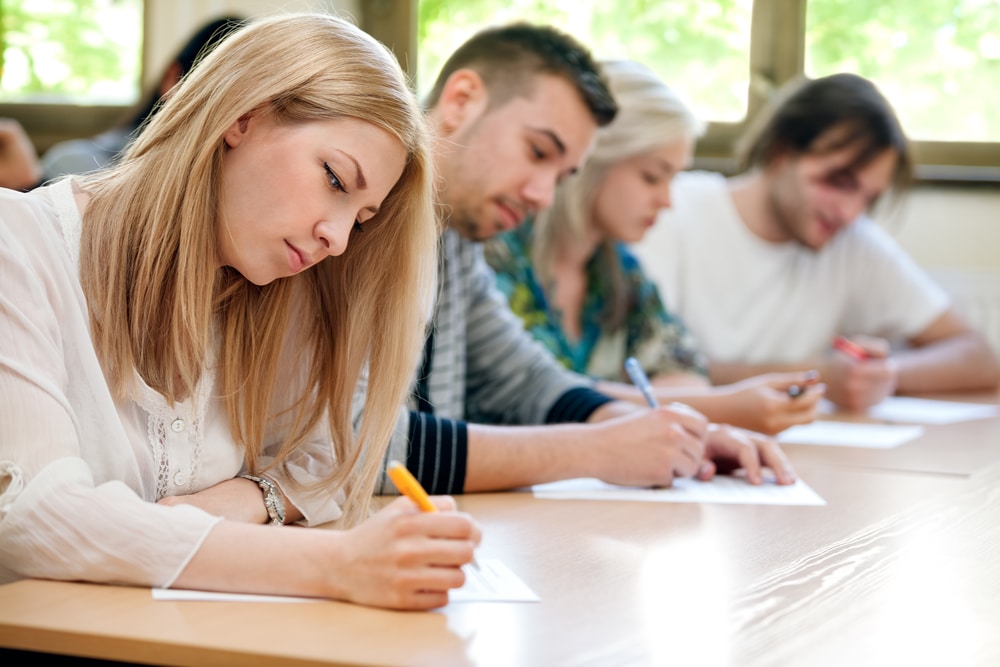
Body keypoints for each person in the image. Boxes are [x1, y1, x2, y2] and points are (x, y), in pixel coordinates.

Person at [0, 13, 480, 611]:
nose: (338, 239)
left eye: (361, 218)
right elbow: (33, 514)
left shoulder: (275, 284)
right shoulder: (16, 244)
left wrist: (245, 499)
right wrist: (338, 564)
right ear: (243, 115)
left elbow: (331, 451)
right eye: (334, 178)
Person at [379, 23, 796, 497]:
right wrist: (596, 450)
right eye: (537, 152)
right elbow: (347, 448)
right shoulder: (357, 222)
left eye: (560, 175)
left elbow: (526, 380)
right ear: (461, 101)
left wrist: (667, 434)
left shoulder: (454, 238)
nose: (542, 196)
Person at [484, 59, 824, 436]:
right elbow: (532, 393)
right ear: (592, 159)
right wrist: (720, 409)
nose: (667, 201)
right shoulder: (495, 254)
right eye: (652, 177)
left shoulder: (617, 270)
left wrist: (695, 409)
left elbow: (679, 363)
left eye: (672, 180)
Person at [633, 73, 1000, 411]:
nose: (850, 212)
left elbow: (979, 358)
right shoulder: (670, 210)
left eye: (869, 198)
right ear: (781, 152)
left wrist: (884, 375)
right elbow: (636, 370)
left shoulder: (852, 242)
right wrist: (816, 375)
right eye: (838, 182)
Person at [0, 16, 244, 190]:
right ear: (173, 79)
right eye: (219, 95)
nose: (233, 124)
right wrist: (32, 187)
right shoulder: (78, 167)